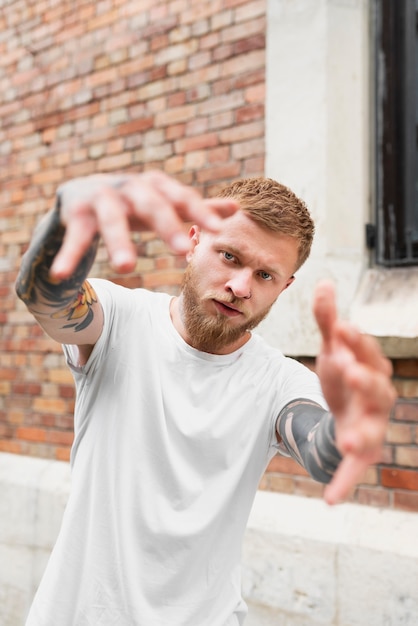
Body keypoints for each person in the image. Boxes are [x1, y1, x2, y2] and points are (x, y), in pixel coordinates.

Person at [16, 171, 396, 626]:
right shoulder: (118, 320)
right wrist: (65, 218)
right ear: (194, 240)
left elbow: (319, 446)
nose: (240, 286)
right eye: (229, 256)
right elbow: (44, 297)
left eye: (265, 274)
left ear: (286, 286)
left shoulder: (280, 382)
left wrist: (348, 425)